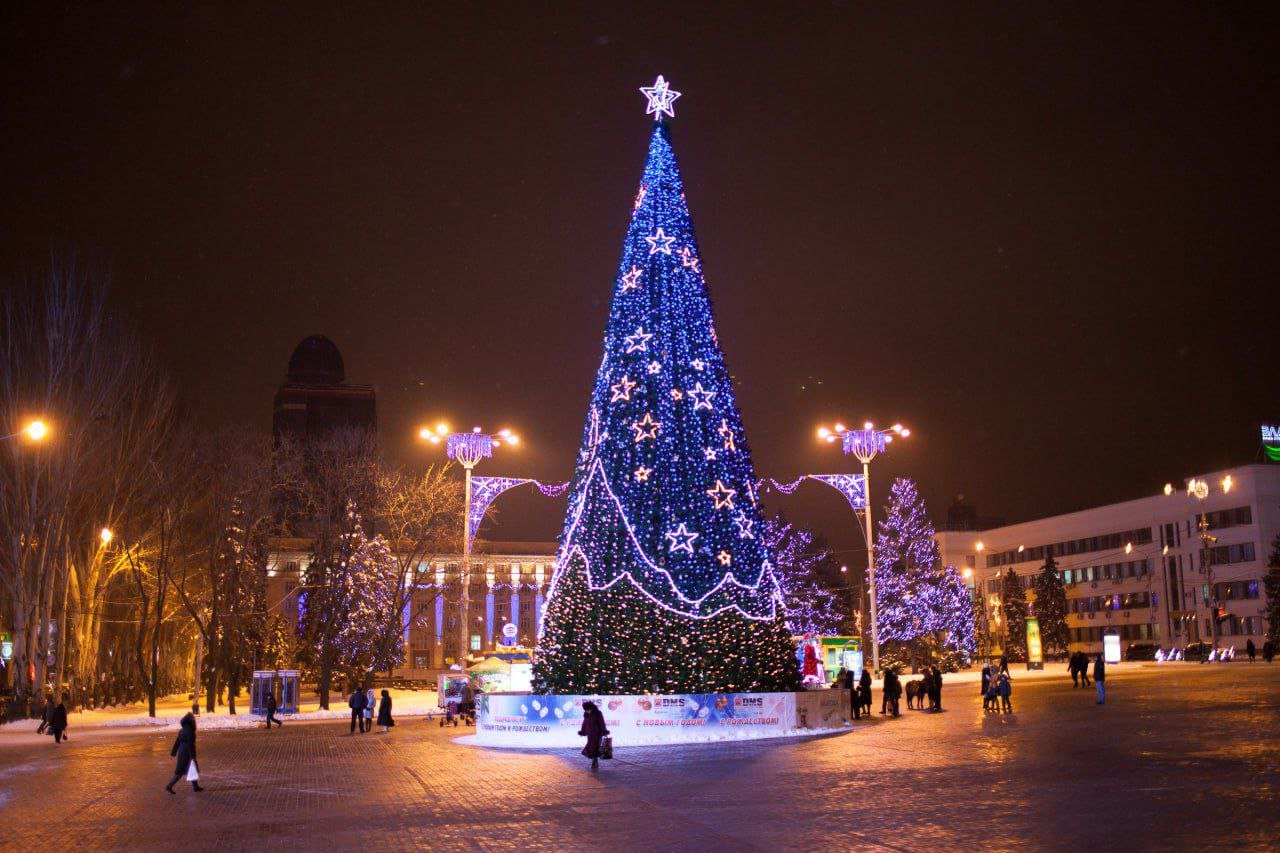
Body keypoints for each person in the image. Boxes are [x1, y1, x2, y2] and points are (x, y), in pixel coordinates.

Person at [165, 712, 203, 794]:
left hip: (182, 752)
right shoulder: (190, 731)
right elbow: (190, 745)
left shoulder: (182, 730)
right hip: (187, 753)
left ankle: (195, 787)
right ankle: (169, 786)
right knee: (180, 772)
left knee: (192, 769)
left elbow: (177, 742)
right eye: (193, 719)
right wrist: (193, 756)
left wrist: (173, 753)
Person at [578, 700, 609, 771]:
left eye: (588, 710)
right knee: (591, 747)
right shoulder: (586, 714)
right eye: (586, 710)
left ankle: (594, 762)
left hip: (597, 733)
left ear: (591, 708)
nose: (587, 711)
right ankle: (595, 762)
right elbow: (584, 724)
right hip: (590, 734)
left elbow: (602, 722)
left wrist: (604, 731)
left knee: (594, 747)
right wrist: (583, 731)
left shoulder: (598, 713)